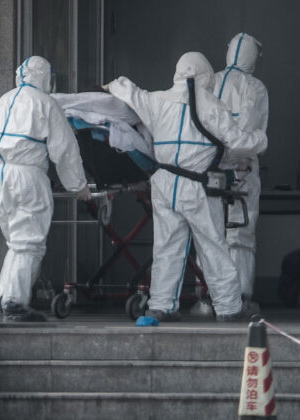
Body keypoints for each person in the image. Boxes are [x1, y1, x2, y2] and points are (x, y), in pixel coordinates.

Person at [103, 52, 268, 322]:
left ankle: (161, 305)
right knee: (213, 247)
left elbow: (130, 91)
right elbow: (238, 142)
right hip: (197, 186)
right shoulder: (212, 107)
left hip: (164, 184)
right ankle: (228, 308)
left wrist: (111, 85)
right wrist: (260, 139)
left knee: (167, 248)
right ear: (205, 75)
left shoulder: (157, 100)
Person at [0, 56, 91, 322]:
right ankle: (14, 302)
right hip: (27, 176)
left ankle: (1, 296)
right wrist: (79, 186)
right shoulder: (45, 103)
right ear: (45, 77)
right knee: (29, 241)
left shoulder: (2, 102)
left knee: (16, 240)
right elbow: (65, 150)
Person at [214, 32, 269, 313]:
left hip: (209, 170)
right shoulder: (254, 87)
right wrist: (237, 157)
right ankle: (240, 297)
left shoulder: (210, 81)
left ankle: (209, 295)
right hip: (242, 170)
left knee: (211, 231)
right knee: (240, 232)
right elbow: (248, 129)